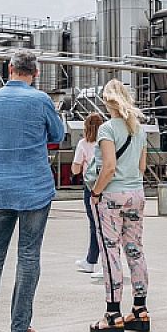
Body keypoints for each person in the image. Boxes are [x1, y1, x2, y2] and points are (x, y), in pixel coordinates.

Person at [0, 50, 66, 332]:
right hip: (35, 187)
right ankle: (19, 328)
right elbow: (58, 135)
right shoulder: (40, 100)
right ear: (34, 73)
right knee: (28, 256)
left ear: (9, 69)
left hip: (1, 187)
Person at [87, 80, 151, 332]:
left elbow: (109, 167)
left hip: (112, 195)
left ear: (106, 101)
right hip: (136, 193)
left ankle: (112, 315)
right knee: (135, 250)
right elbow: (142, 167)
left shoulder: (107, 129)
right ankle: (140, 310)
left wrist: (96, 192)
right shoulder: (139, 129)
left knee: (110, 252)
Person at [73, 112, 106, 274]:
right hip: (108, 185)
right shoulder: (107, 141)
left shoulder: (83, 143)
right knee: (107, 225)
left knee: (95, 225)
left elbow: (75, 168)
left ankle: (95, 263)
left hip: (91, 187)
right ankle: (92, 260)